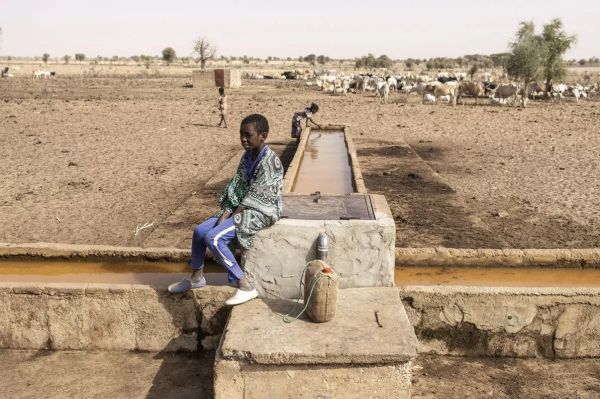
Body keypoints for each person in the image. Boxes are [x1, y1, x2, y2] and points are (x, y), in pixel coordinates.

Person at [169, 114, 284, 306]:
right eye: (241, 135)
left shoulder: (271, 162)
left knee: (214, 238)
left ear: (263, 136)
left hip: (262, 210)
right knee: (199, 232)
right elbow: (237, 188)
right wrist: (225, 214)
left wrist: (231, 216)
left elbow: (256, 197)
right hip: (243, 206)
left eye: (248, 135)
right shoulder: (247, 157)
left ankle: (245, 285)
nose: (243, 140)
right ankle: (197, 278)